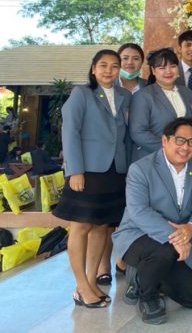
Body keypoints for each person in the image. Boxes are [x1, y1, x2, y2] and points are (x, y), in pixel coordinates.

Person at [53, 49, 131, 309]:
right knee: (81, 227)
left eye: (114, 66)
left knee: (102, 227)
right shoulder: (81, 94)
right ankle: (81, 286)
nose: (109, 70)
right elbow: (70, 132)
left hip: (115, 170)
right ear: (93, 69)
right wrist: (74, 170)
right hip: (87, 170)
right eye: (103, 65)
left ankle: (91, 280)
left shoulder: (125, 96)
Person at [113, 118, 192, 324]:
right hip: (138, 235)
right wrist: (176, 236)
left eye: (191, 142)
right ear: (165, 140)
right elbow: (138, 211)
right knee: (164, 251)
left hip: (180, 237)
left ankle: (144, 275)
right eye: (180, 140)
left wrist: (190, 228)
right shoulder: (140, 169)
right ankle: (147, 296)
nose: (185, 147)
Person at [130, 48, 192, 161]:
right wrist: (170, 150)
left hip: (183, 157)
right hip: (152, 158)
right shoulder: (143, 96)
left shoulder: (187, 92)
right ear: (153, 70)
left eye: (173, 66)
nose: (168, 71)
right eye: (162, 68)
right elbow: (138, 133)